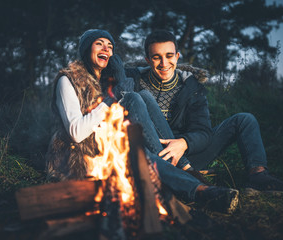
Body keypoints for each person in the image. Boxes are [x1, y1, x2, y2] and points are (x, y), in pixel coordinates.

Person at [45, 29, 240, 214]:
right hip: (79, 156)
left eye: (110, 46)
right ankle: (194, 182)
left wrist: (118, 80)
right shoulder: (69, 80)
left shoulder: (105, 80)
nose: (106, 49)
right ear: (87, 49)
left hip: (109, 147)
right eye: (99, 44)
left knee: (143, 99)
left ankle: (200, 189)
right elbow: (76, 132)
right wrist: (112, 99)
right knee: (133, 101)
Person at [125, 30, 283, 196]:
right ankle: (186, 175)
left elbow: (203, 131)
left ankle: (258, 176)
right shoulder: (133, 82)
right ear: (148, 60)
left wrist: (184, 142)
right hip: (154, 152)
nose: (164, 63)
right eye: (157, 57)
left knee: (244, 120)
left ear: (177, 56)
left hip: (189, 152)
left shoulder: (192, 87)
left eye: (169, 56)